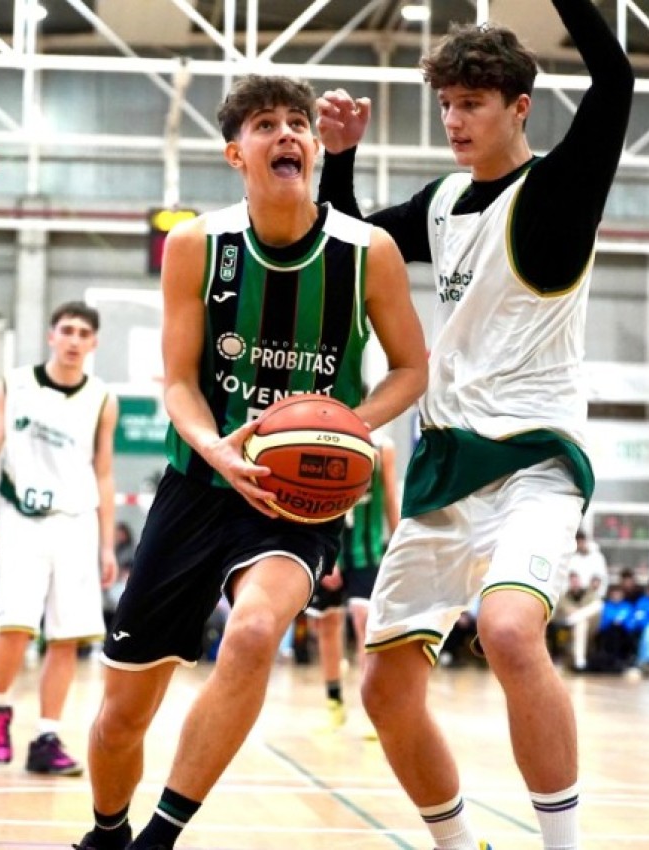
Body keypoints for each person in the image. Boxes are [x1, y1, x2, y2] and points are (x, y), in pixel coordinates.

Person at [75, 75, 427, 850]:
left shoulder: (368, 252)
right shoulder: (197, 244)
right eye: (266, 125)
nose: (287, 135)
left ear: (311, 146)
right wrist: (213, 447)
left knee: (254, 629)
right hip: (197, 485)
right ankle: (106, 831)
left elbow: (410, 370)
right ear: (237, 154)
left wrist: (344, 425)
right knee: (118, 716)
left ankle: (159, 837)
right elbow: (177, 381)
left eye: (296, 123)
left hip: (299, 501)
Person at [315, 1, 633, 845]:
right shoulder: (446, 199)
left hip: (534, 458)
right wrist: (336, 163)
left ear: (518, 107)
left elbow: (617, 80)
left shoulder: (558, 190)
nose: (454, 120)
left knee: (506, 629)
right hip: (444, 464)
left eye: (473, 104)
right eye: (447, 104)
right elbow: (350, 243)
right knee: (384, 692)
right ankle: (459, 844)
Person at [0, 301, 120, 777]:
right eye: (67, 331)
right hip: (21, 515)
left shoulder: (102, 398)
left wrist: (107, 544)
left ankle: (46, 737)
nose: (75, 340)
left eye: (83, 334)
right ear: (52, 336)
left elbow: (105, 472)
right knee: (15, 623)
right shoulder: (15, 383)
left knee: (67, 635)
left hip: (77, 520)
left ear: (94, 343)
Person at [307, 430, 399, 728]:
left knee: (364, 621)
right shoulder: (322, 440)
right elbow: (314, 497)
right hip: (332, 550)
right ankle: (334, 704)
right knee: (327, 625)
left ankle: (370, 712)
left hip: (367, 553)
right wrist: (320, 552)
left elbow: (390, 499)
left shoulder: (383, 448)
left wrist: (399, 546)